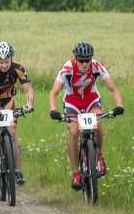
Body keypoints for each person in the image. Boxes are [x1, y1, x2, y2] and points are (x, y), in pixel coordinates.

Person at [48, 41, 124, 190]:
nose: (84, 63)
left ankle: (98, 156)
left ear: (91, 59)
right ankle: (76, 173)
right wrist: (53, 109)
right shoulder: (67, 69)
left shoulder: (97, 66)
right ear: (75, 59)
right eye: (81, 60)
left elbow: (113, 88)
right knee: (74, 132)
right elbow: (54, 92)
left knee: (97, 124)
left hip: (91, 101)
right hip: (72, 103)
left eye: (87, 60)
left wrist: (119, 104)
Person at [0, 41, 34, 184]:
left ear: (11, 59)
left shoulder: (19, 68)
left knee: (12, 133)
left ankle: (17, 170)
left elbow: (28, 89)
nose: (4, 65)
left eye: (7, 62)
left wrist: (29, 104)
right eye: (1, 62)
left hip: (7, 102)